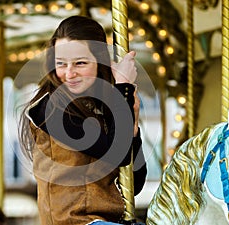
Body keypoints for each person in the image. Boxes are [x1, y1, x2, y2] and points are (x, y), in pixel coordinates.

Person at [19, 15, 147, 225]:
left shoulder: (103, 108)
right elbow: (117, 153)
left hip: (106, 220)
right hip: (72, 221)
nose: (69, 74)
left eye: (80, 63)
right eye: (61, 64)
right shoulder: (49, 108)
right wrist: (123, 87)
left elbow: (136, 183)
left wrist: (132, 125)